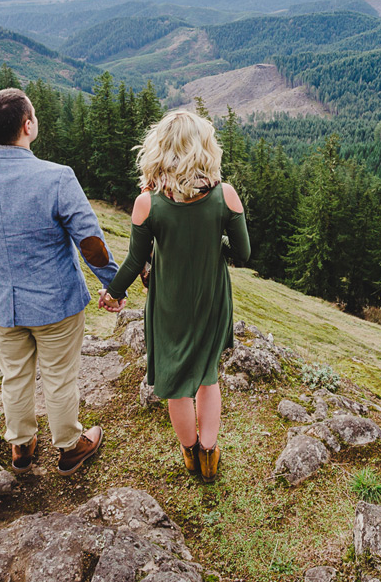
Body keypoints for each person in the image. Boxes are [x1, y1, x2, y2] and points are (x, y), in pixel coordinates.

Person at [0, 87, 120, 475]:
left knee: (14, 373)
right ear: (28, 124)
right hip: (55, 302)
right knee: (59, 376)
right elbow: (90, 243)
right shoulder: (56, 177)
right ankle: (70, 446)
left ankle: (21, 447)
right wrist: (115, 284)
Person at [101, 109, 250, 481]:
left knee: (176, 385)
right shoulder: (225, 195)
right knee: (207, 377)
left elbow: (136, 261)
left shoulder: (147, 202)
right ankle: (209, 454)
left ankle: (189, 454)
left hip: (168, 305)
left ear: (159, 149)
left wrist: (113, 293)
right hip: (212, 300)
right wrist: (219, 247)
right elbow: (244, 254)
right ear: (205, 148)